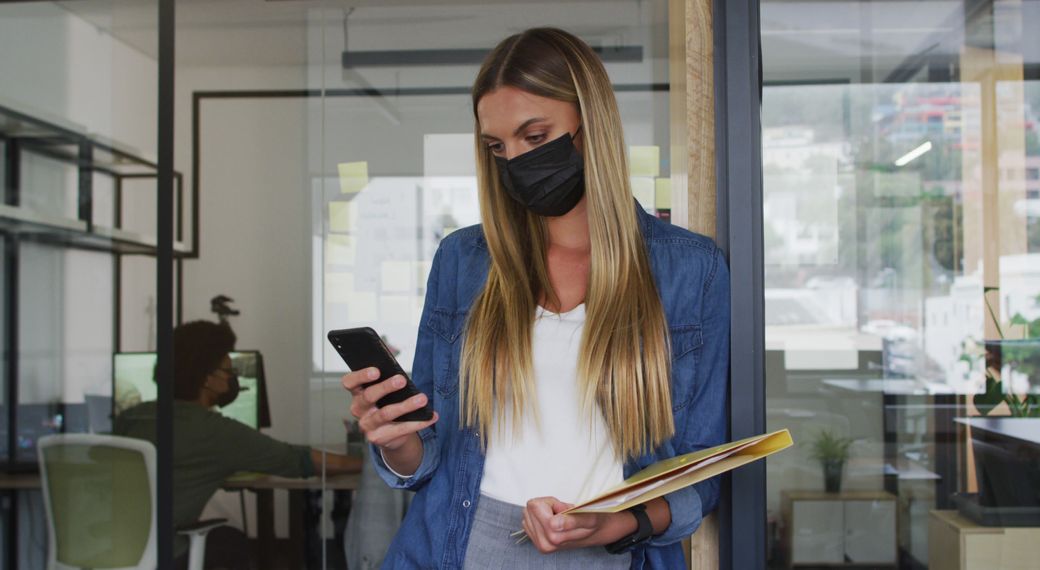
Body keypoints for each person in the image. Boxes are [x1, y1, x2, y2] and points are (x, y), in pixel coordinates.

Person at [342, 27, 729, 569]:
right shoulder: (463, 260)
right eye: (496, 147)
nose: (515, 162)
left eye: (535, 137)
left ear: (590, 125)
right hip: (459, 546)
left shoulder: (692, 271)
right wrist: (392, 439)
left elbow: (701, 475)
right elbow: (427, 459)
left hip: (611, 555)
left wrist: (621, 522)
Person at [115, 320, 364, 570]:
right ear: (207, 379)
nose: (233, 377)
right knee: (230, 542)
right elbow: (296, 459)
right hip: (161, 554)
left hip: (109, 550)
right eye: (227, 370)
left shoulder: (131, 417)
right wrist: (371, 463)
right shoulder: (213, 432)